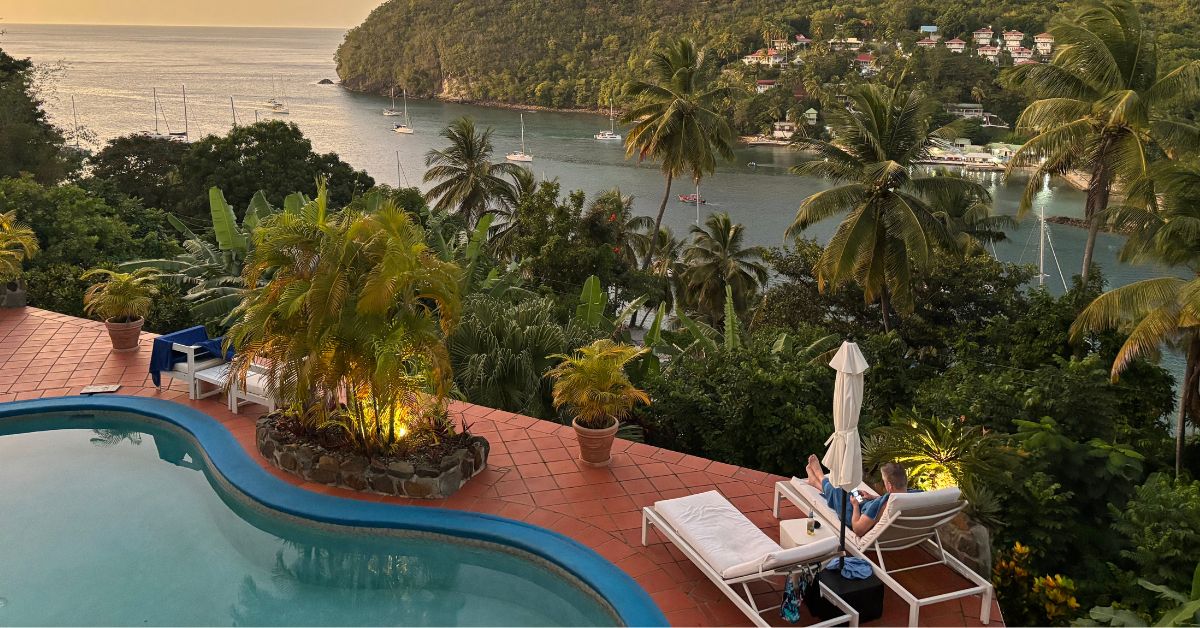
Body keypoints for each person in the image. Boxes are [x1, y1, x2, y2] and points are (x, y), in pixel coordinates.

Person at [804, 455, 909, 537]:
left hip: (854, 514)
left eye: (884, 481)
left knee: (838, 489)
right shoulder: (912, 496)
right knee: (851, 488)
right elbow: (889, 500)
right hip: (865, 505)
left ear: (889, 486)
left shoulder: (881, 506)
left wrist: (854, 506)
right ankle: (815, 482)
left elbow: (858, 529)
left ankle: (820, 476)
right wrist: (872, 497)